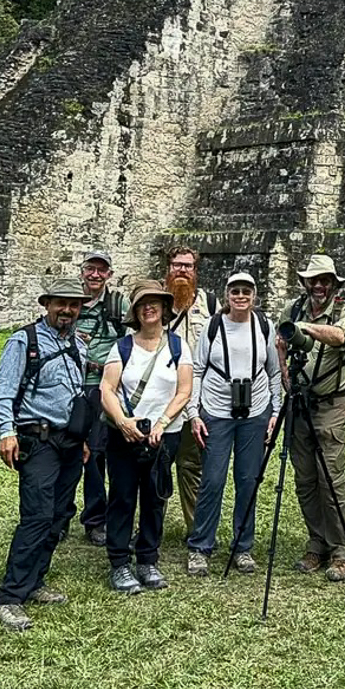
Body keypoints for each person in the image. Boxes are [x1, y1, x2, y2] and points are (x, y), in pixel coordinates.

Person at [0, 278, 89, 633]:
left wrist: (84, 438)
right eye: (61, 303)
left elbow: (75, 392)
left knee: (60, 515)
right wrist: (6, 431)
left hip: (70, 441)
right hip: (38, 439)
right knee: (37, 514)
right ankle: (10, 596)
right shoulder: (24, 341)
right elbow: (3, 391)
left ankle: (35, 580)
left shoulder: (78, 343)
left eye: (74, 305)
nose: (67, 310)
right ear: (46, 304)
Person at [98, 281, 193, 594]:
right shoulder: (123, 347)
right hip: (125, 435)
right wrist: (123, 421)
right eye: (143, 304)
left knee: (155, 498)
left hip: (163, 436)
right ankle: (119, 562)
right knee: (122, 498)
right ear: (135, 312)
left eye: (155, 303)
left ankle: (148, 559)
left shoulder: (178, 346)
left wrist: (162, 423)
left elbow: (184, 390)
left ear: (164, 309)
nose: (149, 308)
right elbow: (106, 389)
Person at [186, 270, 282, 576]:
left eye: (246, 291)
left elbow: (274, 370)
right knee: (212, 480)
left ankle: (243, 546)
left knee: (248, 480)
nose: (241, 297)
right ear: (227, 295)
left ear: (255, 295)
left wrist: (275, 410)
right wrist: (194, 411)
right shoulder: (213, 327)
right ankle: (200, 546)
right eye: (235, 291)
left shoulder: (264, 326)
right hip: (216, 410)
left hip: (254, 412)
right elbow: (197, 369)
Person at [278, 254, 345, 583]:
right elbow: (280, 342)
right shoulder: (292, 309)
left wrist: (305, 330)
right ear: (305, 282)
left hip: (331, 405)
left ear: (334, 284)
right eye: (314, 279)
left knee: (331, 479)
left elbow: (342, 337)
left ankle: (344, 550)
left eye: (325, 279)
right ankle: (318, 542)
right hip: (299, 404)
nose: (319, 285)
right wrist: (284, 371)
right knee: (305, 480)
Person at [65, 249, 127, 547]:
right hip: (69, 387)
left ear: (109, 275)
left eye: (102, 270)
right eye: (91, 269)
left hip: (103, 388)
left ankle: (95, 519)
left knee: (96, 455)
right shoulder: (69, 302)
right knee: (63, 451)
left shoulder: (118, 305)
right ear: (82, 271)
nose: (95, 275)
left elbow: (133, 341)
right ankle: (59, 515)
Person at [164, 244, 219, 535]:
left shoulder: (210, 304)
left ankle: (196, 529)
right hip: (161, 399)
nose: (182, 270)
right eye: (177, 265)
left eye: (188, 265)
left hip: (195, 401)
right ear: (168, 268)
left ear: (195, 271)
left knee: (192, 467)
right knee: (156, 466)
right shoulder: (154, 302)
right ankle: (151, 526)